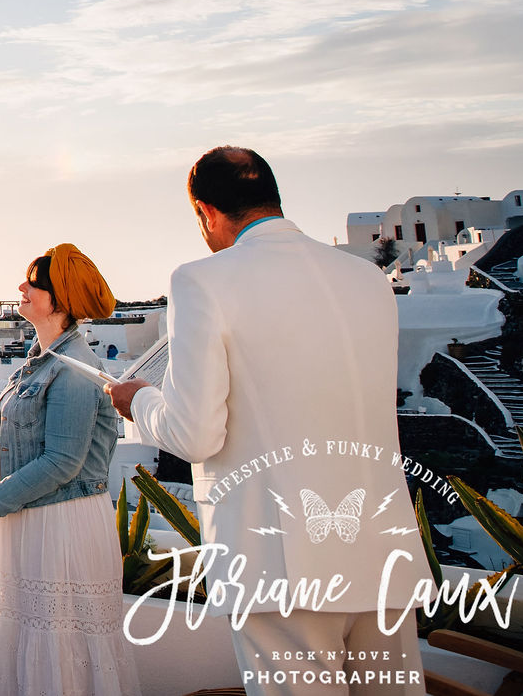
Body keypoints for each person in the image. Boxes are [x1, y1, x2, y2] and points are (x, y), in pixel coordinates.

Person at [107, 147, 430, 690]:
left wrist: (138, 400)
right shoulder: (367, 279)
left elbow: (193, 432)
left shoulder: (201, 280)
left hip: (279, 558)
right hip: (381, 553)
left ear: (205, 212)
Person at [0, 246, 138, 696]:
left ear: (60, 299)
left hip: (59, 529)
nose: (21, 288)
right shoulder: (42, 360)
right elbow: (30, 438)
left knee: (57, 653)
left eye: (34, 281)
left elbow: (62, 463)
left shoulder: (76, 372)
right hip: (32, 524)